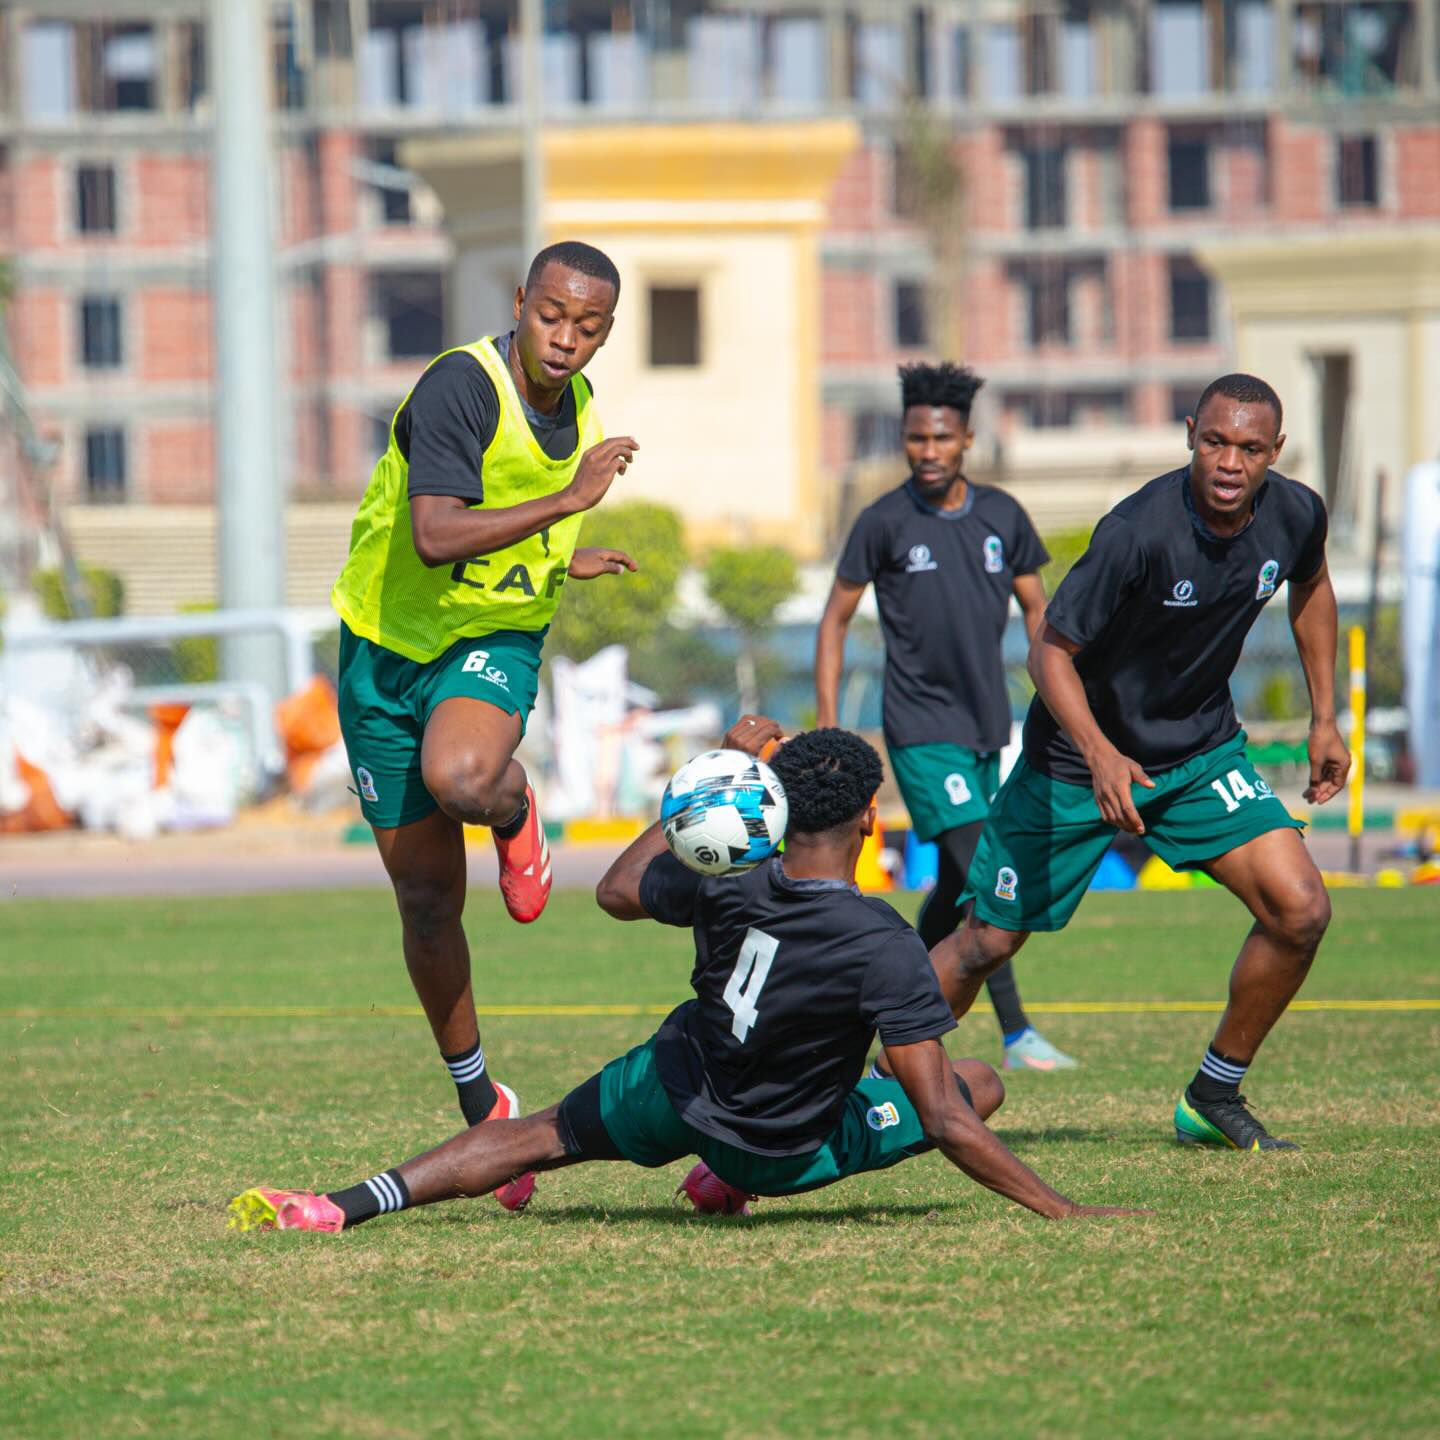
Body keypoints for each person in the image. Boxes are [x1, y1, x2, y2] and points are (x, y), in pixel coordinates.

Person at [227, 719, 1145, 1235]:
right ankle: (725, 1181)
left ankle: (341, 1206)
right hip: (784, 1148)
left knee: (539, 1134)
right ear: (872, 817)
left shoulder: (730, 873)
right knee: (977, 1080)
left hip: (677, 1086)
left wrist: (713, 781)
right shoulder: (884, 940)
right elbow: (944, 1115)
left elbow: (620, 890)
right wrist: (1066, 1208)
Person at [933, 373, 1348, 1152]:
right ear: (1191, 433)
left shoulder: (1296, 512)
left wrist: (1326, 717)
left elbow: (1313, 585)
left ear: (1276, 452)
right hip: (1072, 760)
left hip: (1199, 753)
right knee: (985, 943)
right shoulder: (1136, 531)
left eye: (1250, 448)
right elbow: (1049, 653)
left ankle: (1211, 1096)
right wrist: (1101, 755)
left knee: (1301, 910)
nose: (1230, 462)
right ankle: (863, 1085)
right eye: (1216, 442)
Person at [328, 240, 640, 1209]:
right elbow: (434, 532)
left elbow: (507, 523)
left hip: (489, 640)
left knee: (463, 777)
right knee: (425, 901)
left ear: (605, 332)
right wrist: (569, 505)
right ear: (520, 303)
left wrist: (563, 548)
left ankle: (510, 806)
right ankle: (482, 1105)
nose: (566, 339)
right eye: (552, 316)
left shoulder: (576, 406)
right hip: (383, 651)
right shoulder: (462, 386)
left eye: (588, 327)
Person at [816, 362, 1075, 1072]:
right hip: (919, 728)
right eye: (914, 438)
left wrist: (1059, 687)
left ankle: (885, 1013)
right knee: (987, 873)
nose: (927, 451)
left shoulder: (1002, 517)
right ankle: (1018, 1034)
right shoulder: (883, 522)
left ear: (966, 438)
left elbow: (1039, 610)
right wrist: (832, 727)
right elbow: (834, 620)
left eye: (940, 437)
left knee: (952, 889)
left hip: (988, 726)